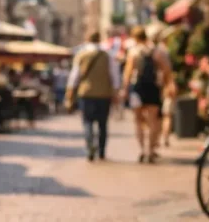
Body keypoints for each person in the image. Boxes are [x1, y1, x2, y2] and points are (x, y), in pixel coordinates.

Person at [121, 26, 172, 163]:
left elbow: (128, 73)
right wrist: (168, 85)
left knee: (138, 120)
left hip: (137, 89)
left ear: (135, 37)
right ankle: (151, 150)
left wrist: (124, 89)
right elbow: (167, 70)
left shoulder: (133, 52)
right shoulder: (157, 51)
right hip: (153, 88)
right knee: (153, 120)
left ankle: (142, 150)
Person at [66, 32, 119, 161]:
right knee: (103, 124)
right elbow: (115, 75)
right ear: (99, 39)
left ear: (87, 39)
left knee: (87, 122)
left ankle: (90, 148)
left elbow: (74, 76)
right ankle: (101, 151)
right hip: (104, 94)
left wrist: (69, 93)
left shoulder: (81, 54)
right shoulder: (107, 55)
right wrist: (115, 92)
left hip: (86, 93)